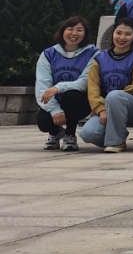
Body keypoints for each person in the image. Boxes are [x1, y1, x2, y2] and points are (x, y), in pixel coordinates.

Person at [79, 17, 133, 153]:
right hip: (107, 109)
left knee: (115, 96)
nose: (122, 37)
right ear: (113, 33)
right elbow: (93, 88)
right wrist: (101, 109)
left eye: (128, 34)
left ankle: (117, 142)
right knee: (88, 134)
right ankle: (117, 134)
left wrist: (111, 101)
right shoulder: (100, 58)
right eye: (118, 32)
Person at [36, 16, 97, 152]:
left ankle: (70, 135)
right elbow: (42, 85)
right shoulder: (48, 54)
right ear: (62, 31)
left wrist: (58, 88)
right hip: (54, 101)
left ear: (85, 33)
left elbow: (84, 82)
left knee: (72, 95)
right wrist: (55, 110)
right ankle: (55, 133)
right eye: (70, 29)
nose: (74, 33)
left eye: (79, 30)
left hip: (79, 102)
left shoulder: (93, 53)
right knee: (44, 122)